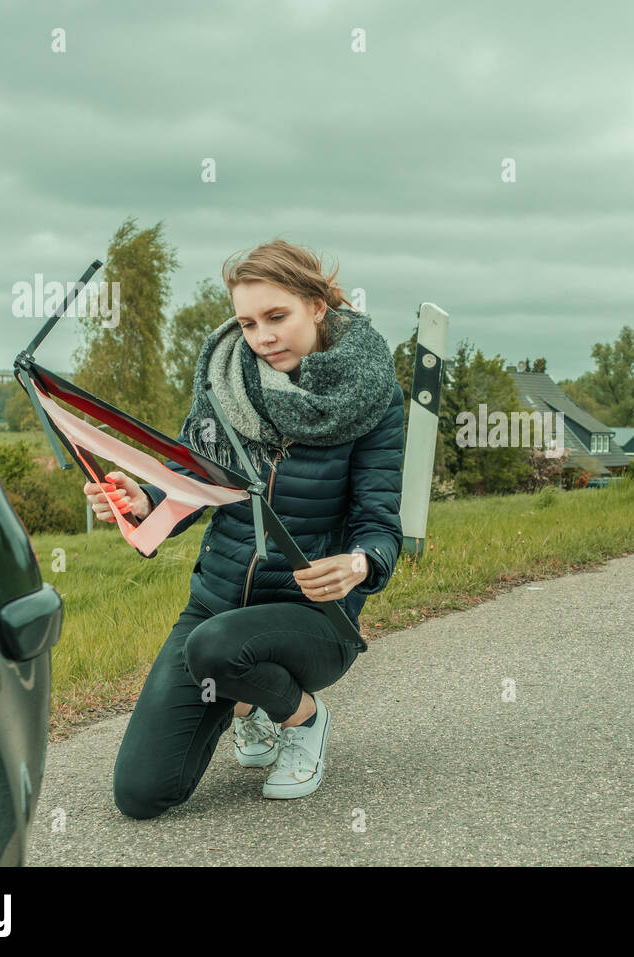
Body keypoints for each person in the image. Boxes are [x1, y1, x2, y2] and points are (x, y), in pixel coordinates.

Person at [92, 239, 404, 818]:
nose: (262, 337)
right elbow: (190, 476)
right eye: (247, 322)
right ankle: (247, 701)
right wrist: (142, 500)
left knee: (214, 647)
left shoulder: (374, 397)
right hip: (216, 605)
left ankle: (303, 718)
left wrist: (359, 564)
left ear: (318, 304)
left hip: (312, 619)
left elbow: (379, 523)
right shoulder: (224, 383)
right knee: (141, 794)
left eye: (277, 316)